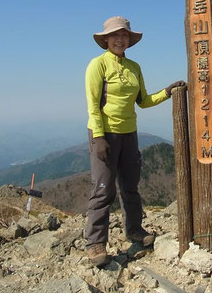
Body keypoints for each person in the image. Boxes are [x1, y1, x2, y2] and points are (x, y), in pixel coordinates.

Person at [84, 16, 185, 267]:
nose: (120, 39)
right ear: (106, 39)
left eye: (124, 35)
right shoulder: (97, 66)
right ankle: (95, 242)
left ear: (129, 39)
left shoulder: (134, 67)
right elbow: (93, 106)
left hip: (129, 133)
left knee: (130, 186)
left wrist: (167, 92)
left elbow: (143, 101)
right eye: (115, 35)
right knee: (103, 190)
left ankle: (134, 229)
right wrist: (98, 138)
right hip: (105, 134)